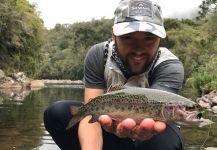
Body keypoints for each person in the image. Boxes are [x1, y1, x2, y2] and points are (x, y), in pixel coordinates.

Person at [44, 0, 185, 149]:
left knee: (161, 140)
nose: (138, 50)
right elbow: (90, 112)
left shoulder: (170, 66)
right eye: (128, 37)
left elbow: (162, 112)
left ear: (160, 39)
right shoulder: (99, 55)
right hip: (110, 124)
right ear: (114, 35)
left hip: (154, 132)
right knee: (57, 113)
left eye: (149, 38)